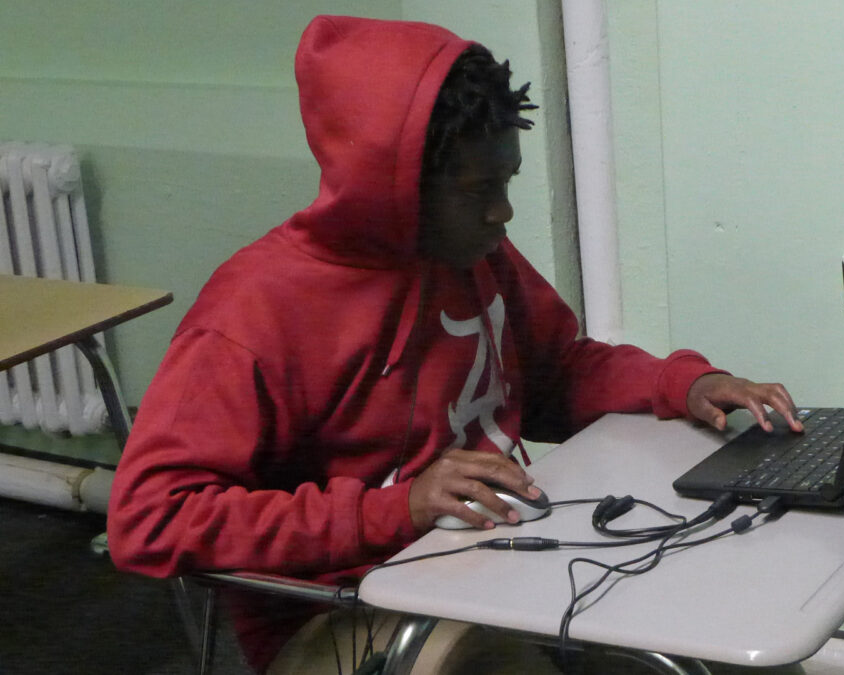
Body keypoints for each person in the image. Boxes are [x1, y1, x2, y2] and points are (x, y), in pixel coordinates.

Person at [106, 15, 802, 675]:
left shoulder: (468, 249)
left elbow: (558, 370)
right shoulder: (251, 314)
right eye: (479, 190)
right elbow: (149, 516)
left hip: (495, 563)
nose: (502, 210)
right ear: (397, 185)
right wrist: (394, 509)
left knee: (723, 629)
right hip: (345, 613)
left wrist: (683, 384)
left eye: (507, 182)